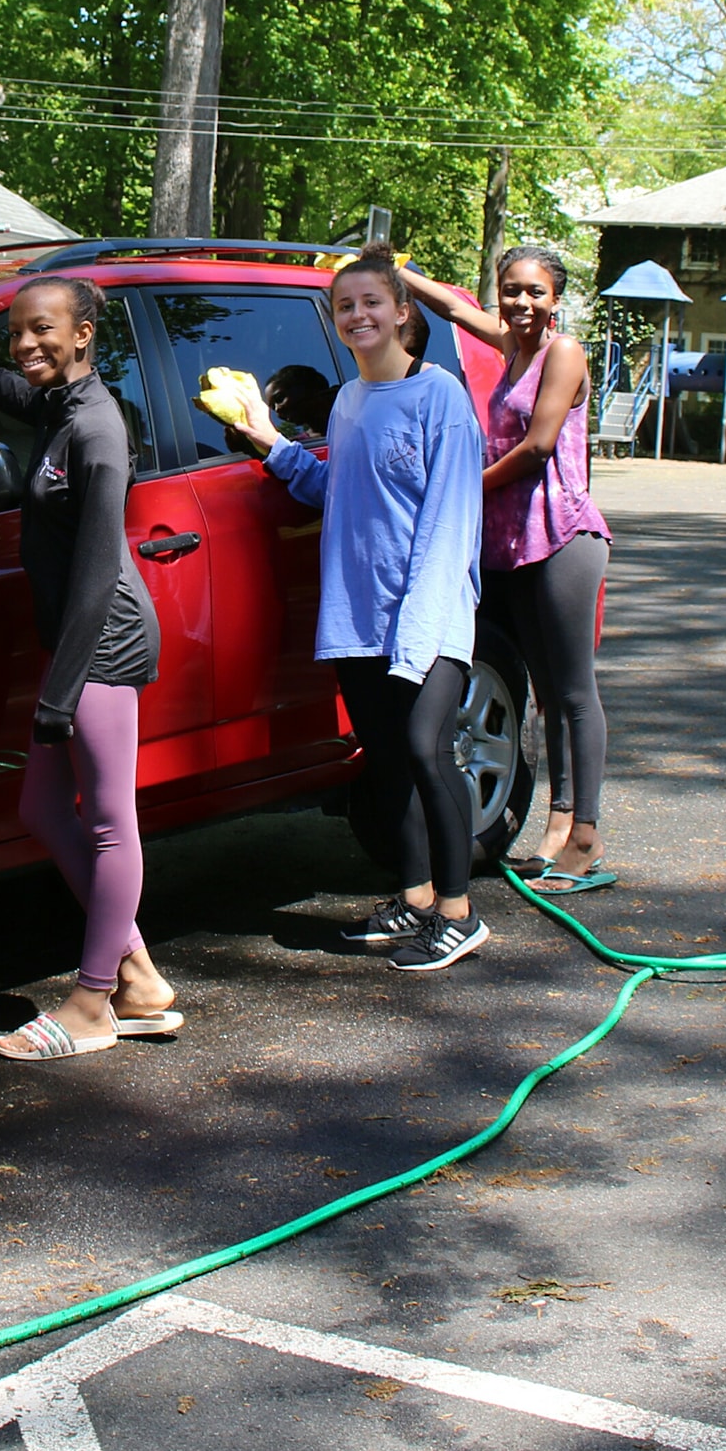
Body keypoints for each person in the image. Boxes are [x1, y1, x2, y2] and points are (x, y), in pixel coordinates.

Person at [233, 243, 489, 971]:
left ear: (403, 313)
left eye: (371, 302)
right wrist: (270, 443)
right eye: (345, 307)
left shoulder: (440, 397)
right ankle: (412, 899)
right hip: (357, 618)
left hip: (427, 616)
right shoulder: (348, 401)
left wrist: (417, 635)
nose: (357, 315)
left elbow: (448, 524)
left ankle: (458, 913)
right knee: (384, 763)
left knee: (425, 751)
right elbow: (335, 494)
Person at [0, 277, 178, 1061]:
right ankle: (141, 979)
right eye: (15, 332)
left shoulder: (96, 429)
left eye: (41, 330)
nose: (24, 346)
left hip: (103, 642)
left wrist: (61, 688)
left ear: (83, 334)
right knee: (44, 808)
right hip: (74, 647)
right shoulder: (55, 406)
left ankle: (91, 1003)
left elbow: (93, 572)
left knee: (112, 821)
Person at [400, 249, 611, 892]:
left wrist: (463, 483)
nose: (520, 303)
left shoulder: (562, 352)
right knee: (545, 692)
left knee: (574, 692)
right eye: (510, 291)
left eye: (534, 293)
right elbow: (453, 308)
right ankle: (558, 821)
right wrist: (394, 270)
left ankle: (586, 835)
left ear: (556, 299)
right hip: (515, 540)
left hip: (563, 533)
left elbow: (539, 445)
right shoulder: (509, 342)